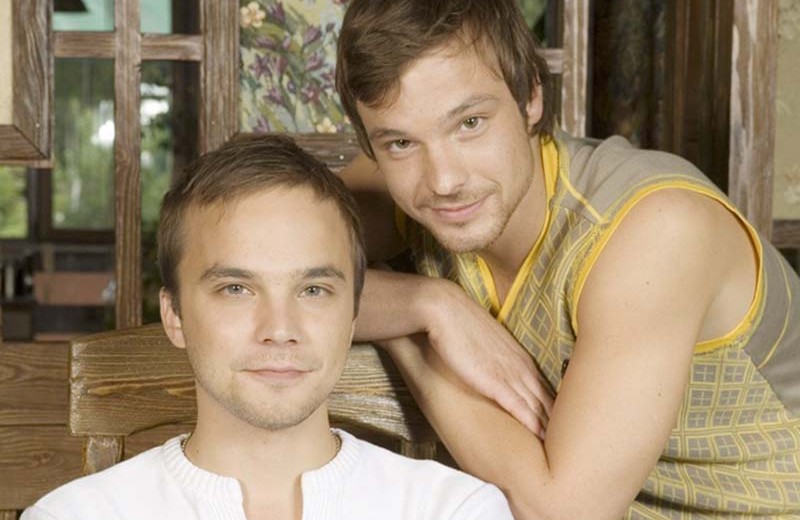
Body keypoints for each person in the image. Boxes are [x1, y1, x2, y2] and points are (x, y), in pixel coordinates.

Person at [335, 0, 800, 518]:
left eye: (470, 123)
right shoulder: (406, 180)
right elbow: (265, 268)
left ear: (531, 96)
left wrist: (412, 339)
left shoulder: (655, 227)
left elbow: (564, 513)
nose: (443, 179)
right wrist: (427, 303)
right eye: (400, 142)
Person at [21, 135, 514, 520]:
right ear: (174, 316)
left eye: (313, 290)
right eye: (236, 288)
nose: (280, 329)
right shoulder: (74, 516)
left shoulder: (453, 511)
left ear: (352, 316)